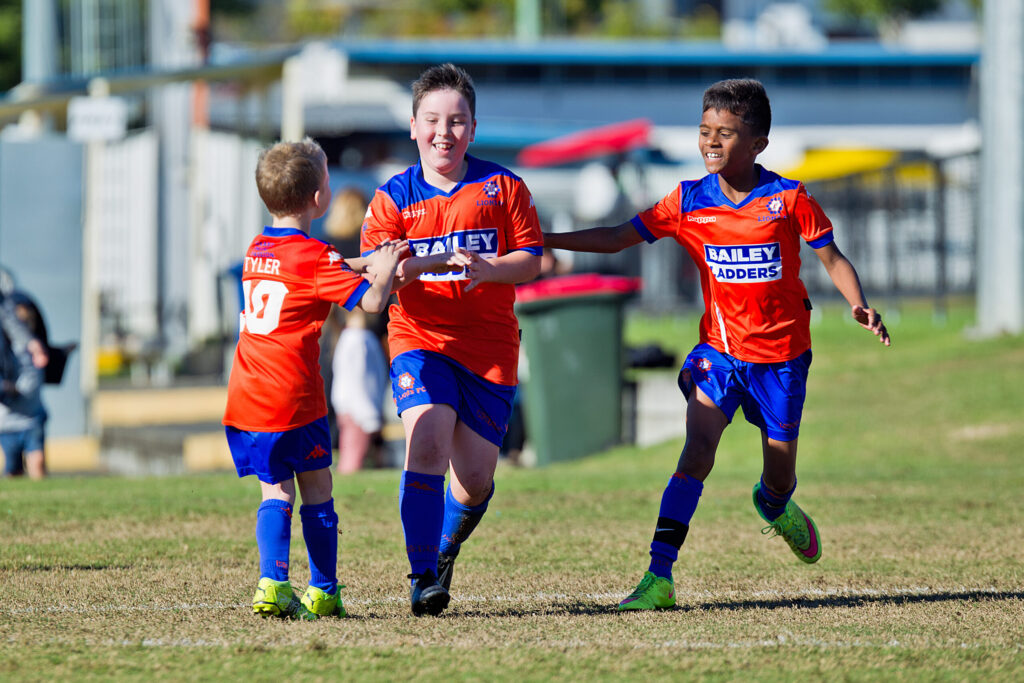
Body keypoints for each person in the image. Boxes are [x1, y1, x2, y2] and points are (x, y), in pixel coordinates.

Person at [544, 79, 891, 611]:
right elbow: (616, 237)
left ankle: (775, 505)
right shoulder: (686, 201)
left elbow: (833, 258)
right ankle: (659, 577)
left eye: (725, 134)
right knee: (697, 451)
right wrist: (541, 238)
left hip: (782, 361)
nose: (711, 142)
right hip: (720, 356)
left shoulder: (789, 199)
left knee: (779, 477)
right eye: (705, 131)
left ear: (757, 144)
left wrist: (858, 302)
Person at [360, 63, 543, 616]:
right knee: (430, 441)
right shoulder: (391, 199)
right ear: (414, 126)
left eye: (457, 121)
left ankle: (441, 551)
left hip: (489, 350)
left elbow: (531, 259)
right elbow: (374, 281)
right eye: (433, 120)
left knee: (475, 481)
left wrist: (491, 270)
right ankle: (421, 578)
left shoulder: (504, 187)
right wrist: (394, 271)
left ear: (473, 126)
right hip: (420, 340)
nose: (445, 133)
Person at [223, 137, 408, 620]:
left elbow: (305, 271)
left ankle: (272, 583)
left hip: (248, 392)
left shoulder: (257, 249)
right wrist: (383, 270)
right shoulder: (318, 257)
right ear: (320, 199)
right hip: (293, 394)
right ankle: (324, 590)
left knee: (274, 491)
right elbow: (370, 302)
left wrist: (358, 264)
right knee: (318, 492)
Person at [0, 268, 48, 480]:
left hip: (29, 417)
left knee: (36, 463)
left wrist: (33, 345)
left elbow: (9, 319)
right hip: (7, 421)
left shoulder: (22, 351)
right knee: (12, 470)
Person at [331, 308, 389, 474]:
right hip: (358, 411)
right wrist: (370, 417)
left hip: (354, 410)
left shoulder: (353, 337)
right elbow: (358, 382)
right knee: (353, 461)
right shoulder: (358, 340)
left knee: (355, 456)